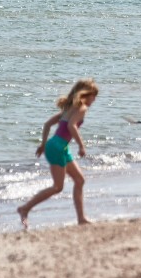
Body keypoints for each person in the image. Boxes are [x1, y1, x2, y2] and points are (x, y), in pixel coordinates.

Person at [18, 79, 98, 227]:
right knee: (58, 187)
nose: (95, 99)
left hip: (57, 146)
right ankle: (24, 208)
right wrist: (81, 146)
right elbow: (71, 126)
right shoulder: (82, 108)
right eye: (94, 96)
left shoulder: (69, 108)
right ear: (87, 94)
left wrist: (43, 144)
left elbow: (47, 124)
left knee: (80, 180)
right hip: (58, 147)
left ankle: (81, 219)